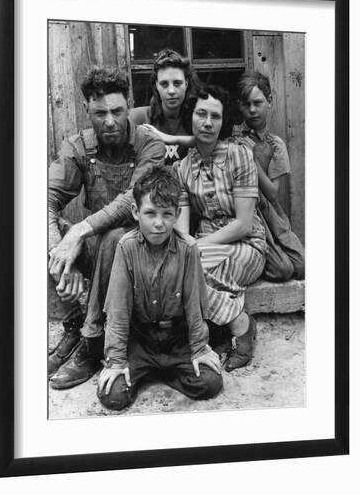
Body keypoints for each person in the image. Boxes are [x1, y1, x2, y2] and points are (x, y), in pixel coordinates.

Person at [48, 66, 166, 389]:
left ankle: (92, 343)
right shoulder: (78, 147)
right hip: (96, 249)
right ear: (87, 109)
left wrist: (80, 230)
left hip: (141, 256)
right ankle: (73, 323)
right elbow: (44, 197)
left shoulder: (150, 146)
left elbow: (133, 200)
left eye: (116, 111)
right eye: (100, 113)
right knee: (43, 229)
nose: (110, 121)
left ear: (128, 106)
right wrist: (62, 253)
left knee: (117, 236)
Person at [98, 166, 223, 410]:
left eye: (167, 214)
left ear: (176, 214)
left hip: (177, 340)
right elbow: (118, 310)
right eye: (150, 213)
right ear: (135, 212)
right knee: (113, 396)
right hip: (141, 339)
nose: (159, 224)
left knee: (209, 382)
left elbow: (194, 304)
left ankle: (161, 371)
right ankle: (150, 368)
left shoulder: (188, 248)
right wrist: (115, 360)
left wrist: (198, 350)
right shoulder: (126, 247)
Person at [173, 85, 267, 371]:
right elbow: (182, 229)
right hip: (203, 242)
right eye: (201, 114)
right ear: (191, 116)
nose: (208, 122)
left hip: (247, 243)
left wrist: (196, 247)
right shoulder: (181, 169)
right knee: (183, 268)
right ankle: (233, 323)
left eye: (215, 116)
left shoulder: (239, 155)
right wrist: (188, 246)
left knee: (203, 273)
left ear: (223, 121)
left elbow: (243, 223)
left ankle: (238, 330)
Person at [232, 71, 305, 281]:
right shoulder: (234, 137)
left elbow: (273, 193)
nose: (253, 110)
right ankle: (257, 259)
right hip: (246, 210)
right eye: (247, 104)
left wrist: (252, 159)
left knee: (301, 267)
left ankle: (272, 252)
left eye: (258, 102)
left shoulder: (276, 145)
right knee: (284, 270)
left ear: (269, 101)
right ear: (240, 106)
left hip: (270, 212)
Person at [129, 48, 200, 165]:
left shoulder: (197, 118)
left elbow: (216, 143)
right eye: (164, 84)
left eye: (177, 83)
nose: (171, 91)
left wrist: (167, 138)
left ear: (186, 83)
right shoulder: (139, 118)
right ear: (156, 85)